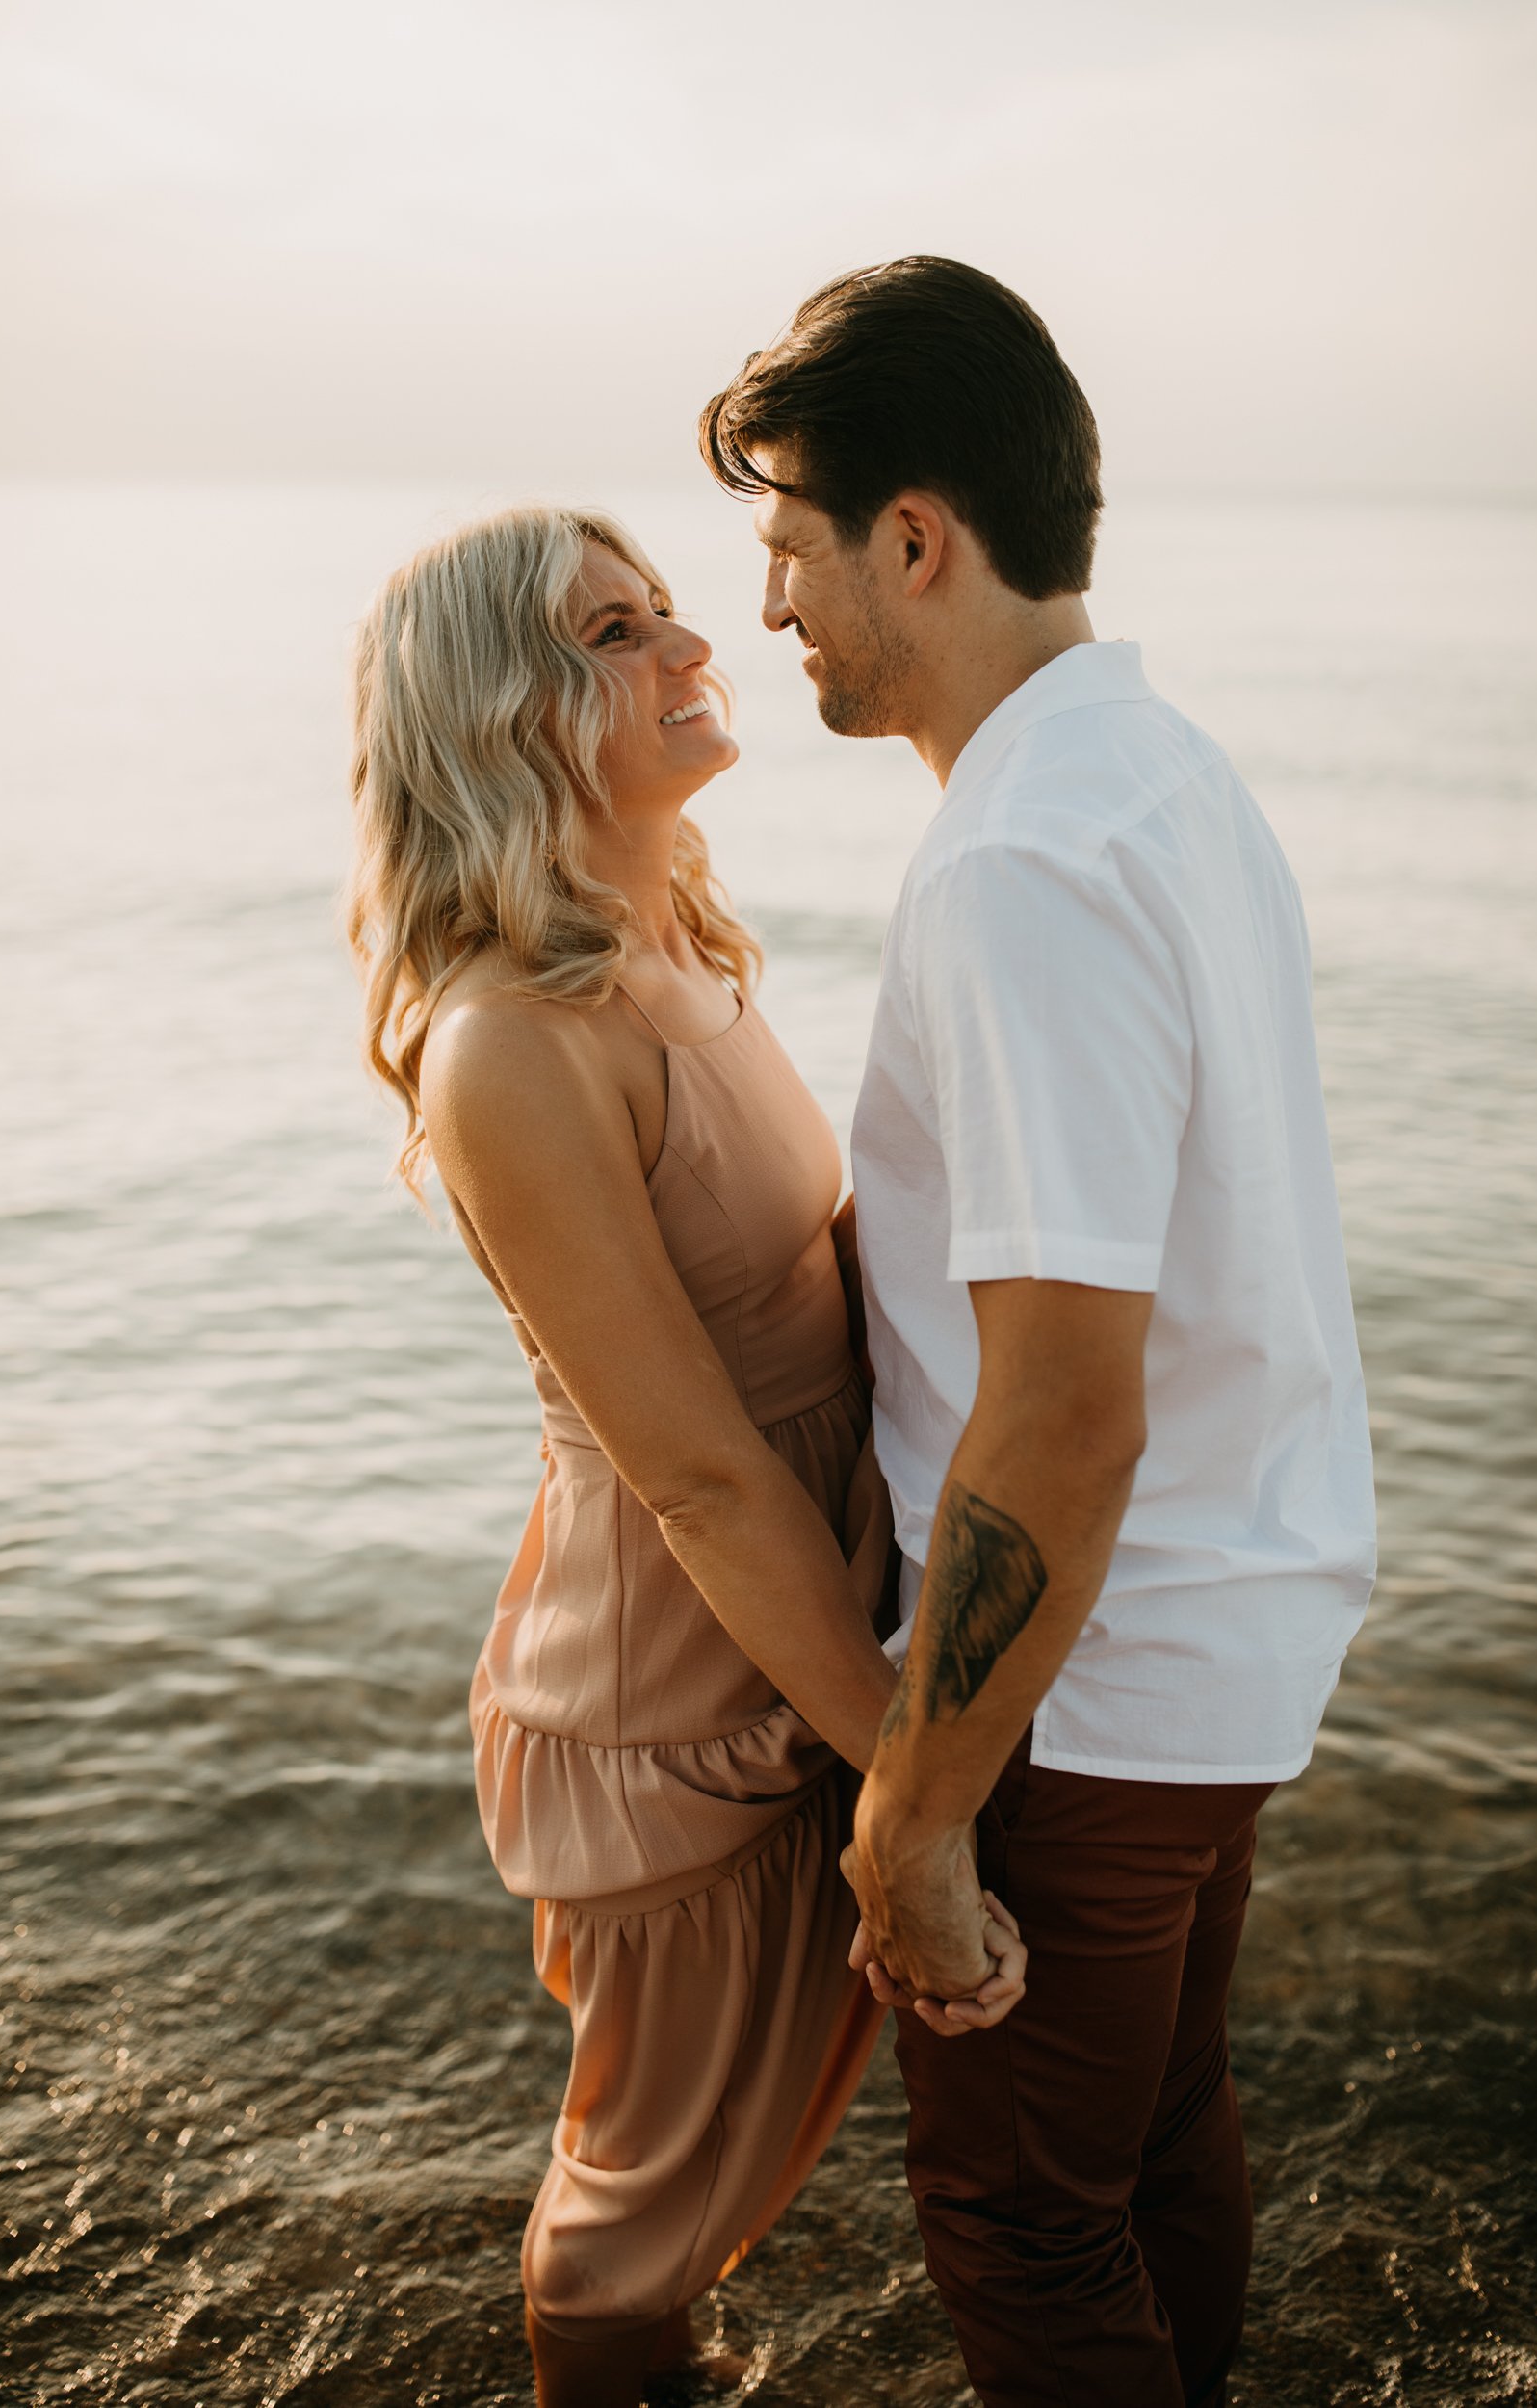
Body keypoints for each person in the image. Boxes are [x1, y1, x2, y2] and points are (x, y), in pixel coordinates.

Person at [700, 257, 1379, 2407]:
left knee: (1019, 2217)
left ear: (915, 534)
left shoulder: (1022, 860)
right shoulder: (1166, 776)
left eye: (789, 546)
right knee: (1157, 2149)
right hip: (1219, 1636)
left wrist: (913, 1803)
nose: (774, 606)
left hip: (1092, 1690)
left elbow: (1064, 1406)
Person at [344, 503, 1025, 2408]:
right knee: (637, 2206)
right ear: (508, 714)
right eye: (617, 633)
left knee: (711, 2178)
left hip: (810, 1635)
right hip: (684, 1696)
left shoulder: (669, 946)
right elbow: (704, 1475)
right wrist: (920, 1782)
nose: (691, 645)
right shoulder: (512, 1044)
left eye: (663, 610)